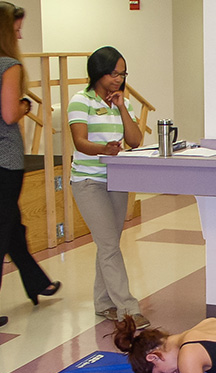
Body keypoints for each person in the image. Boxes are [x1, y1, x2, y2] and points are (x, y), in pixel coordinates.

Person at [68, 46, 149, 329]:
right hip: (88, 182)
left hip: (116, 180)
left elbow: (135, 139)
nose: (119, 78)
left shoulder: (118, 102)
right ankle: (127, 307)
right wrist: (104, 149)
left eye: (123, 73)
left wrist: (123, 107)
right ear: (99, 73)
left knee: (109, 244)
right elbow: (80, 141)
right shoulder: (81, 101)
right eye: (114, 73)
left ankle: (103, 303)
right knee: (108, 245)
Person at [0, 2, 61, 326]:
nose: (21, 34)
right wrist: (24, 104)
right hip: (5, 164)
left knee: (12, 226)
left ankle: (36, 281)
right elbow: (9, 114)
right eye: (17, 29)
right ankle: (36, 281)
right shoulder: (9, 65)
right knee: (4, 228)